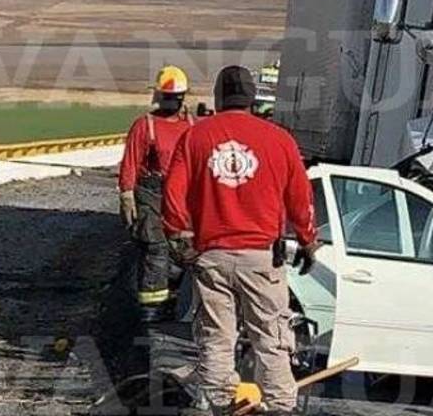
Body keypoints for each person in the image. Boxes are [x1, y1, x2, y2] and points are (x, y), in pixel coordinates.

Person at [162, 65, 318, 416]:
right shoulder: (279, 140)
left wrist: (177, 237)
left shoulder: (196, 138)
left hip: (212, 256)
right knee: (271, 339)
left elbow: (172, 195)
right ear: (251, 98)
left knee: (216, 339)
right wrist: (308, 241)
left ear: (218, 99)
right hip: (262, 260)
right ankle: (280, 407)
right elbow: (301, 199)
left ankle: (217, 403)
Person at [118, 65, 196, 321]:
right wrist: (127, 193)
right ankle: (152, 310)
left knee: (186, 249)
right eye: (169, 96)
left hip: (185, 195)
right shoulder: (145, 126)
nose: (173, 102)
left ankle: (179, 301)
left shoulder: (194, 126)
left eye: (177, 97)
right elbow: (131, 161)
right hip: (152, 195)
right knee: (155, 249)